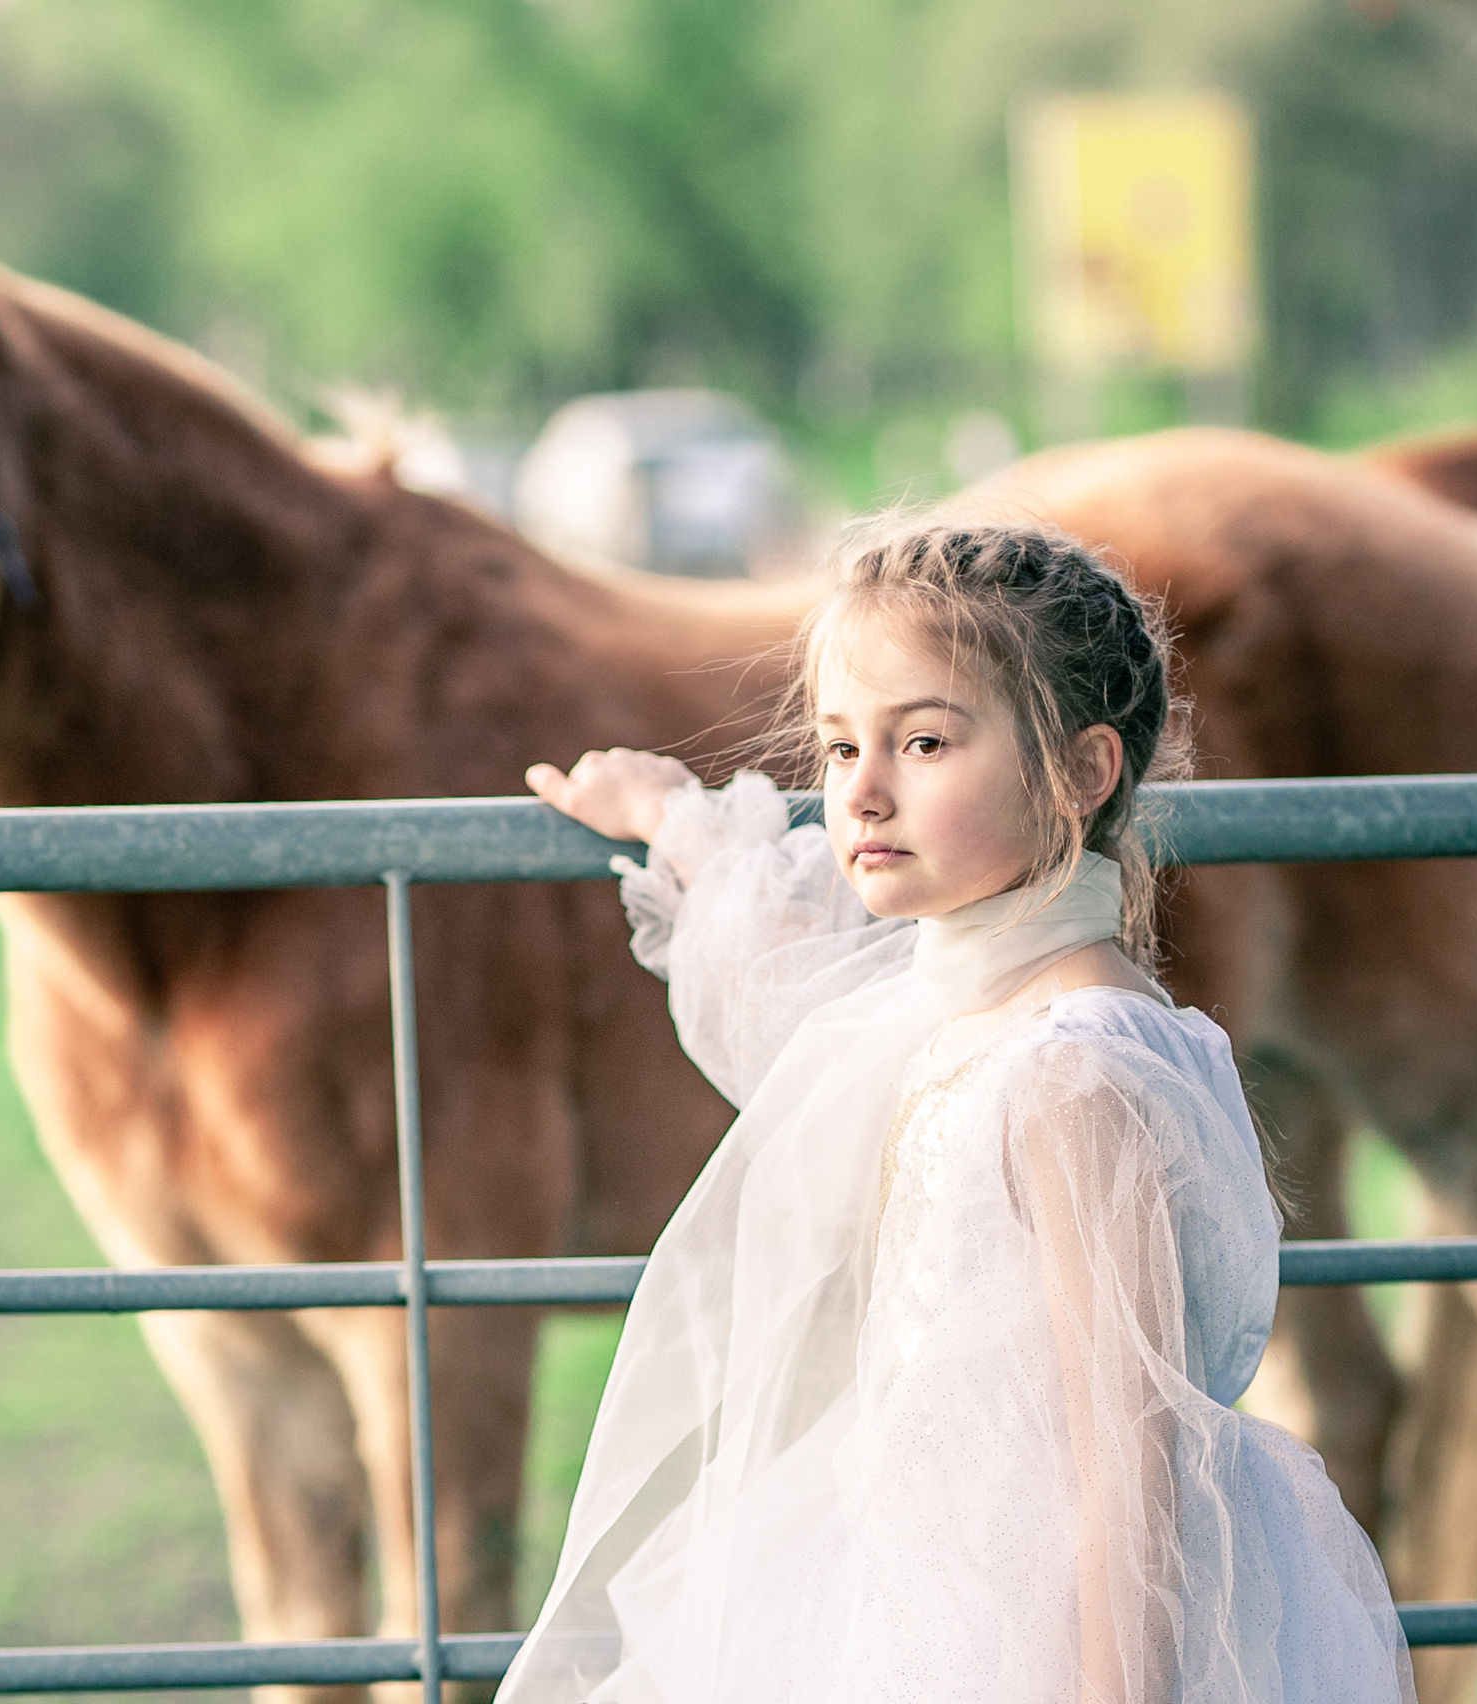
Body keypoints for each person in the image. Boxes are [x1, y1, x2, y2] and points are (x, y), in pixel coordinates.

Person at [502, 524, 1414, 1704]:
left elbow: (1127, 1471)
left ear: (1080, 773)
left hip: (1035, 1642)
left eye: (924, 741)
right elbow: (787, 985)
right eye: (837, 748)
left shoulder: (1082, 1072)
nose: (862, 792)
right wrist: (677, 823)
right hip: (895, 1592)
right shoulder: (951, 1003)